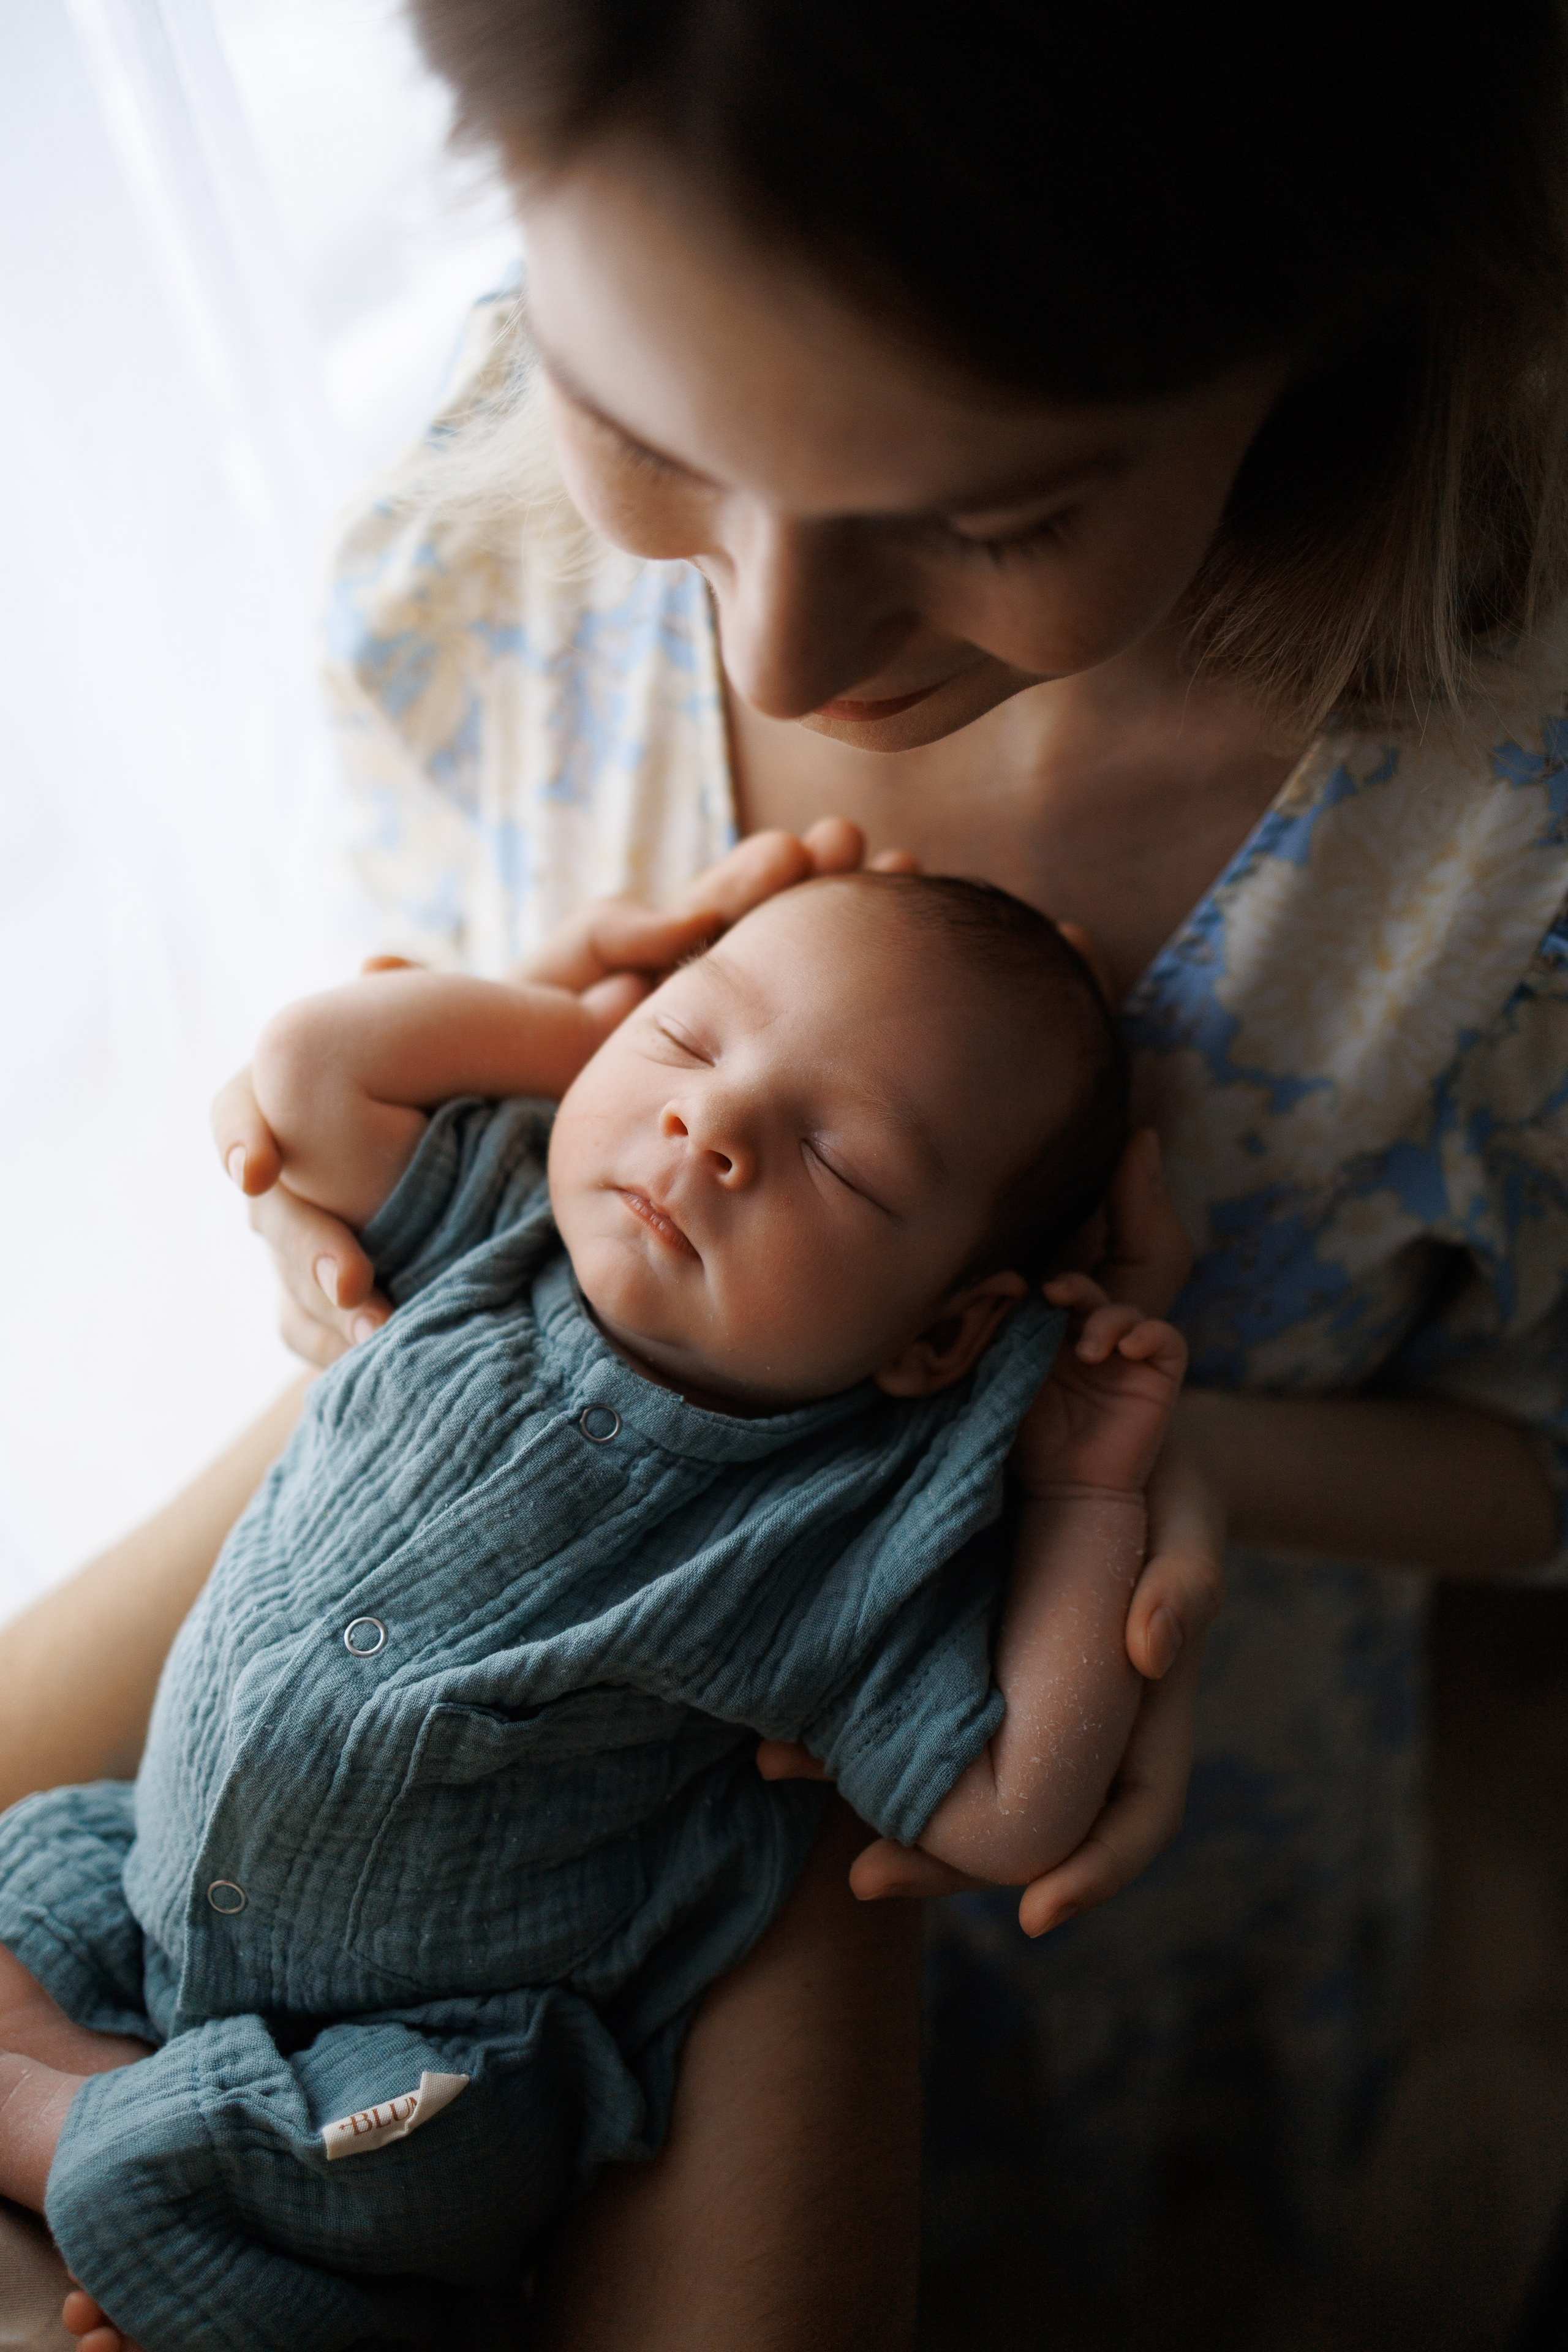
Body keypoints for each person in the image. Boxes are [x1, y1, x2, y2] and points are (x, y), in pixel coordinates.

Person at [6, 0, 1568, 2340]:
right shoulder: (488, 570)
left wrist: (1116, 1471)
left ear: (1332, 320)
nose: (778, 633)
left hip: (1163, 1850)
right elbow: (395, 1157)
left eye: (995, 510)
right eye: (635, 422)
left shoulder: (1497, 871)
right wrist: (463, 1110)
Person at [2, 869, 1185, 2352]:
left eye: (839, 1160)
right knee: (19, 1889)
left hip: (430, 2050)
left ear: (944, 1332)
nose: (714, 1125)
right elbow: (312, 1071)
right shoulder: (498, 1221)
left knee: (384, 2154)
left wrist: (1086, 1498)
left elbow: (1007, 1813)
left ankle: (95, 2138)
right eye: (692, 1044)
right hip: (147, 1888)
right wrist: (578, 1041)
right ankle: (151, 2172)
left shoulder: (844, 1517)